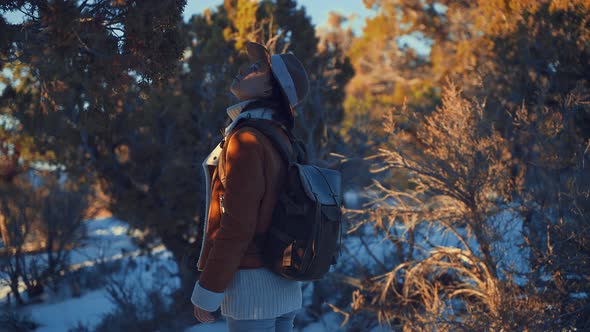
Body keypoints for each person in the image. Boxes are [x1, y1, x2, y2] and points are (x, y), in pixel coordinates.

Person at [190, 41, 310, 332]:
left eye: (257, 68)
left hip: (252, 290)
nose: (245, 69)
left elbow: (237, 225)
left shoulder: (247, 139)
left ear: (271, 90)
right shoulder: (282, 138)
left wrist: (208, 290)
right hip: (284, 282)